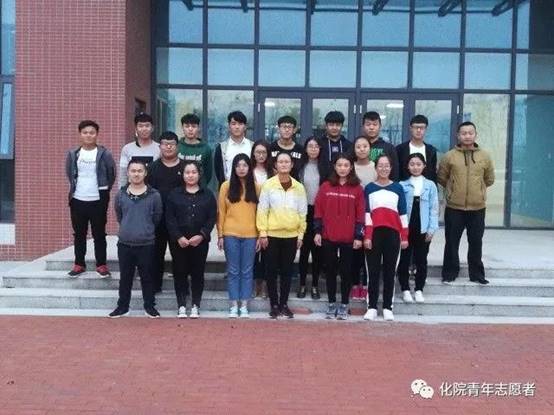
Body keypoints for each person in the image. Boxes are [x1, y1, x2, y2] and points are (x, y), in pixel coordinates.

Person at [438, 121, 495, 285]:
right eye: (464, 133)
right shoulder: (450, 156)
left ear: (475, 135)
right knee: (451, 242)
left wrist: (479, 190)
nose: (467, 136)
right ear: (458, 136)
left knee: (476, 242)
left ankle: (477, 274)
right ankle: (449, 273)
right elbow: (442, 177)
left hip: (477, 208)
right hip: (454, 208)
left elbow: (489, 179)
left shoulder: (484, 156)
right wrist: (453, 189)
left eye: (470, 133)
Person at [109, 160, 163, 318]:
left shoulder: (154, 195)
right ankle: (123, 306)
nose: (136, 174)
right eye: (133, 171)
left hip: (146, 243)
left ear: (145, 173)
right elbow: (120, 215)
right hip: (125, 243)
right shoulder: (121, 194)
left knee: (147, 277)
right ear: (128, 173)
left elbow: (157, 217)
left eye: (140, 171)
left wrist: (145, 229)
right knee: (125, 277)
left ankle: (149, 306)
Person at [314, 154, 365, 320]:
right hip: (328, 236)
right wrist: (317, 232)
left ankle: (344, 304)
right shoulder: (326, 186)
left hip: (349, 239)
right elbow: (318, 210)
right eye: (339, 165)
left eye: (346, 165)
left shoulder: (358, 189)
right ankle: (331, 303)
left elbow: (360, 214)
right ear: (335, 167)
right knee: (330, 271)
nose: (343, 168)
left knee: (346, 272)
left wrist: (358, 236)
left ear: (351, 168)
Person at [257, 152, 307, 319]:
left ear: (291, 165)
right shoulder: (268, 185)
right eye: (281, 162)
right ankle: (274, 304)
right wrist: (263, 233)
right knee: (271, 271)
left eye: (287, 162)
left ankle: (284, 304)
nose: (284, 164)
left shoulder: (299, 187)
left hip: (291, 236)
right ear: (275, 165)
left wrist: (300, 235)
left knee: (287, 271)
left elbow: (302, 213)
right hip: (271, 235)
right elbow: (262, 210)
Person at [165, 160, 217, 318]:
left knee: (197, 273)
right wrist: (178, 236)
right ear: (182, 174)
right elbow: (170, 218)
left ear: (199, 174)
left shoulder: (208, 195)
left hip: (199, 242)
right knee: (179, 272)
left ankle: (195, 304)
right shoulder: (174, 194)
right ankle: (181, 305)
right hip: (178, 242)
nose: (190, 175)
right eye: (187, 172)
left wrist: (202, 235)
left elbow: (211, 217)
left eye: (194, 172)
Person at [65, 120, 116, 278]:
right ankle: (79, 264)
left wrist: (104, 189)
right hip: (78, 198)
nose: (88, 135)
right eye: (85, 132)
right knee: (79, 233)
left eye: (92, 132)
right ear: (80, 134)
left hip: (98, 198)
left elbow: (111, 173)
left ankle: (101, 265)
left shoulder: (104, 154)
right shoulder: (73, 154)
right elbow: (69, 173)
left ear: (97, 134)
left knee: (99, 233)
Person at [363, 154, 409, 322]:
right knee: (372, 272)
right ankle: (372, 307)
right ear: (376, 168)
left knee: (390, 272)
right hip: (374, 234)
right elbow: (366, 214)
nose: (383, 168)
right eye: (380, 166)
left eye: (386, 165)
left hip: (393, 235)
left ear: (391, 168)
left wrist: (404, 237)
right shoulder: (369, 188)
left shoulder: (398, 188)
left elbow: (403, 213)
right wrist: (367, 236)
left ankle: (388, 307)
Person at [217, 154, 260, 318]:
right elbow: (221, 212)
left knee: (247, 271)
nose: (241, 169)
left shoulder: (257, 187)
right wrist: (220, 235)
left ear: (250, 168)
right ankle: (234, 304)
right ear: (233, 168)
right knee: (233, 270)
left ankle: (244, 304)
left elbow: (260, 213)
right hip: (230, 234)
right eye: (238, 165)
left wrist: (260, 235)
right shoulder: (226, 187)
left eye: (245, 165)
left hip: (251, 234)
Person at [146, 131, 185, 294]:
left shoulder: (185, 167)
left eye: (172, 144)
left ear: (177, 146)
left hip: (180, 220)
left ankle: (182, 290)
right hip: (157, 219)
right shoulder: (152, 167)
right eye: (165, 144)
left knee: (180, 256)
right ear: (160, 146)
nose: (168, 147)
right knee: (156, 254)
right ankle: (155, 288)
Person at [397, 153, 439, 303]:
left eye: (418, 164)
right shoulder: (402, 185)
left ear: (424, 166)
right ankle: (405, 289)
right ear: (408, 167)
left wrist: (432, 229)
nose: (415, 167)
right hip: (407, 227)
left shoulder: (430, 185)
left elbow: (434, 208)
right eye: (412, 164)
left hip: (423, 228)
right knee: (404, 259)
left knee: (422, 260)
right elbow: (399, 209)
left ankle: (419, 289)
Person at [297, 137, 326, 300]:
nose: (313, 149)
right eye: (310, 146)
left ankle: (315, 285)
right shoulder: (300, 167)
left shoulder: (325, 168)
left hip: (320, 212)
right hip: (303, 211)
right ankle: (302, 284)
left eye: (316, 146)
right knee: (304, 250)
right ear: (306, 149)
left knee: (317, 251)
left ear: (320, 149)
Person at [350, 135, 377, 301]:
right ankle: (355, 284)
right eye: (358, 146)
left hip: (372, 214)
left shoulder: (376, 167)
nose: (361, 149)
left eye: (365, 146)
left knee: (369, 251)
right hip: (353, 214)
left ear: (370, 149)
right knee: (355, 252)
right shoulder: (349, 166)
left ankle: (366, 285)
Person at [250, 140, 273, 298]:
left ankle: (264, 284)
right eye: (258, 152)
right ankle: (253, 284)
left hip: (269, 216)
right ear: (253, 154)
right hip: (251, 214)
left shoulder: (273, 172)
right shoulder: (248, 171)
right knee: (252, 252)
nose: (261, 155)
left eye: (264, 152)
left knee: (267, 253)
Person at [119, 112, 160, 188]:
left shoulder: (159, 148)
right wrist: (122, 191)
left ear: (152, 128)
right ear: (136, 129)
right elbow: (123, 174)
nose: (144, 129)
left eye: (147, 126)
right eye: (140, 126)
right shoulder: (127, 149)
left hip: (153, 190)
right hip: (132, 191)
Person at [214, 111, 253, 187]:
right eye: (233, 124)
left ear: (245, 127)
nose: (237, 127)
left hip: (249, 188)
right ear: (229, 126)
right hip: (228, 188)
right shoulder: (222, 148)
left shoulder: (252, 146)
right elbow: (218, 172)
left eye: (240, 124)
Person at [396, 115, 438, 182]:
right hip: (404, 186)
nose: (418, 130)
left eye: (422, 128)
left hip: (426, 187)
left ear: (426, 129)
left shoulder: (431, 151)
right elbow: (396, 172)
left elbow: (433, 174)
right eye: (416, 127)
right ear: (411, 128)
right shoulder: (400, 149)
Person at [362, 111, 399, 181]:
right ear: (363, 126)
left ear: (380, 126)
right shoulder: (357, 147)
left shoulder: (389, 148)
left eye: (375, 124)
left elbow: (395, 173)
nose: (371, 127)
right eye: (368, 124)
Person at [178, 113, 212, 188]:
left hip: (199, 189)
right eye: (187, 126)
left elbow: (208, 174)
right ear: (182, 127)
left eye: (193, 126)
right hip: (178, 189)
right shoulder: (177, 146)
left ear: (198, 128)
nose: (190, 129)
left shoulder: (206, 148)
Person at [317, 111, 351, 178]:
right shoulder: (319, 144)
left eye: (338, 125)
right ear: (326, 126)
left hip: (343, 181)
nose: (334, 128)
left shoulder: (348, 145)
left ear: (342, 126)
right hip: (323, 182)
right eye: (331, 125)